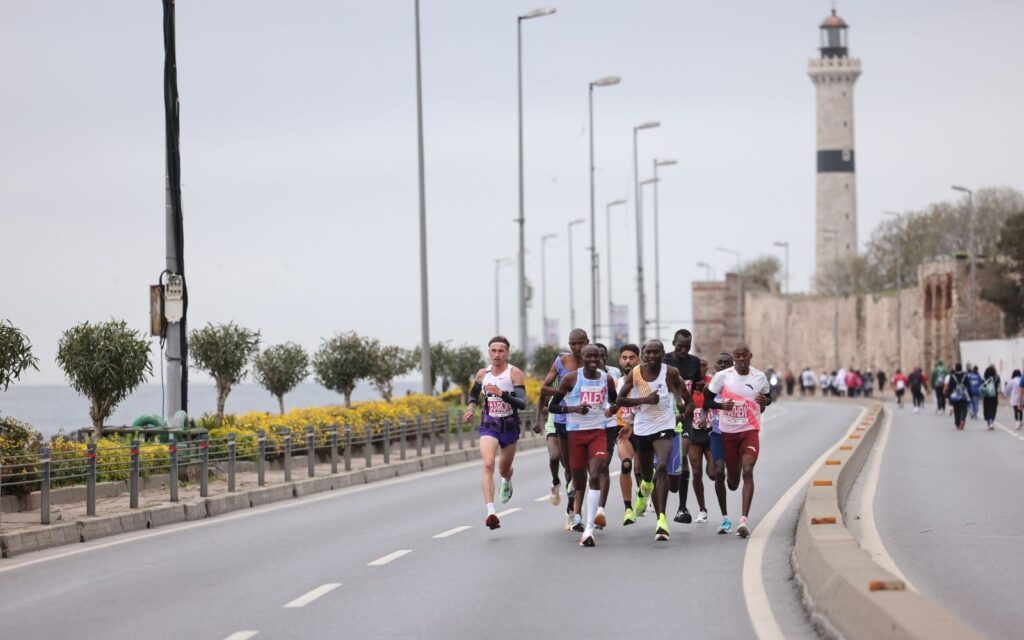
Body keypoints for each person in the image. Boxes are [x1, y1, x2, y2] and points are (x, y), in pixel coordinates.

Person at [616, 340, 694, 541]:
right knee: (646, 474)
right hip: (642, 429)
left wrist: (681, 414)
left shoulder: (671, 373)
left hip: (665, 427)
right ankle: (644, 491)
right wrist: (643, 400)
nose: (652, 356)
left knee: (661, 468)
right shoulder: (635, 374)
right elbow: (620, 400)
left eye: (656, 352)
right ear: (643, 355)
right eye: (648, 352)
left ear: (662, 354)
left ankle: (661, 519)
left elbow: (689, 400)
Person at [548, 344, 617, 546]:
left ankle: (588, 529)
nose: (593, 359)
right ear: (582, 357)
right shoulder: (571, 379)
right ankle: (577, 509)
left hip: (598, 432)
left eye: (597, 356)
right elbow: (553, 406)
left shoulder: (607, 378)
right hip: (575, 433)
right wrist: (574, 408)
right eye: (589, 356)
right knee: (579, 480)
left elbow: (614, 401)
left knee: (595, 473)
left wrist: (612, 409)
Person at [702, 343, 771, 539]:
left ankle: (743, 520)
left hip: (749, 430)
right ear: (734, 358)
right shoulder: (723, 377)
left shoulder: (759, 377)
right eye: (738, 356)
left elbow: (767, 397)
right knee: (731, 482)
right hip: (727, 433)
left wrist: (766, 402)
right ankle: (727, 513)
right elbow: (707, 401)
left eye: (744, 356)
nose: (741, 359)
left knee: (748, 470)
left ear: (750, 356)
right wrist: (722, 405)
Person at [463, 336, 528, 530]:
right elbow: (474, 392)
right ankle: (491, 511)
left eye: (501, 351)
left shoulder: (514, 373)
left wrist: (502, 394)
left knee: (503, 469)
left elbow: (522, 403)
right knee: (488, 463)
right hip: (489, 423)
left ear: (507, 353)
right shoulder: (484, 373)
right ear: (489, 352)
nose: (497, 355)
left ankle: (506, 480)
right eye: (493, 351)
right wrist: (471, 407)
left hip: (509, 425)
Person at [537, 329, 588, 525]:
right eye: (573, 344)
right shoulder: (561, 362)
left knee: (585, 467)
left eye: (580, 343)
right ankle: (571, 511)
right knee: (569, 466)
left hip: (586, 420)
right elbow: (543, 388)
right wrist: (564, 390)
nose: (577, 347)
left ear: (587, 342)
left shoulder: (593, 360)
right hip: (563, 420)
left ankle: (587, 509)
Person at [663, 329, 702, 524]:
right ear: (673, 343)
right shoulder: (663, 360)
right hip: (663, 414)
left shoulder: (694, 363)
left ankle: (682, 507)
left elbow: (694, 389)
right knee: (663, 463)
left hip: (685, 414)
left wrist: (687, 411)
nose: (684, 350)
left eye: (687, 347)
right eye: (680, 347)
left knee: (683, 454)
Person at [609, 344, 641, 525]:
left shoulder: (645, 381)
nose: (627, 361)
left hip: (643, 429)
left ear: (638, 360)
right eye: (624, 358)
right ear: (620, 361)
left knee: (643, 471)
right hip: (623, 430)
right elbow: (613, 405)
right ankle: (628, 508)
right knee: (626, 464)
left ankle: (644, 493)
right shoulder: (617, 382)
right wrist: (610, 411)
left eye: (631, 357)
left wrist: (633, 423)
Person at [592, 343, 621, 529]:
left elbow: (617, 398)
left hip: (609, 425)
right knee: (591, 471)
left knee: (603, 467)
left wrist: (613, 408)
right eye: (595, 356)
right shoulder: (581, 375)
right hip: (587, 427)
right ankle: (591, 504)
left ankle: (600, 509)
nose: (598, 360)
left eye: (602, 356)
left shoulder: (614, 374)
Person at [686, 357, 715, 524]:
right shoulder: (687, 386)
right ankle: (702, 509)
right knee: (696, 472)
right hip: (694, 435)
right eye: (698, 366)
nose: (701, 369)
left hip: (711, 433)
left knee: (712, 474)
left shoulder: (714, 383)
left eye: (704, 366)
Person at [708, 353, 734, 533]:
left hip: (735, 436)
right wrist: (703, 418)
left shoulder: (737, 385)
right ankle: (725, 517)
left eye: (727, 363)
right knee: (718, 472)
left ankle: (734, 475)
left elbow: (758, 406)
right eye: (720, 362)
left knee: (733, 483)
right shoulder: (711, 387)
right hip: (717, 435)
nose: (723, 365)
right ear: (715, 366)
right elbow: (704, 404)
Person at [946, 363, 970, 430]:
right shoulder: (965, 376)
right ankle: (962, 420)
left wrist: (948, 395)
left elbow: (950, 386)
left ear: (956, 368)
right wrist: (970, 394)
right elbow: (968, 385)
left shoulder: (953, 376)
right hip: (963, 395)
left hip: (955, 396)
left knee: (956, 409)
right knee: (963, 409)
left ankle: (957, 423)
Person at [980, 365, 1001, 430]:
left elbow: (982, 386)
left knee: (987, 408)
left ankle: (989, 422)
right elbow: (998, 385)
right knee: (993, 408)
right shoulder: (997, 377)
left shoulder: (984, 378)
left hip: (986, 396)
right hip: (994, 395)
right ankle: (992, 420)